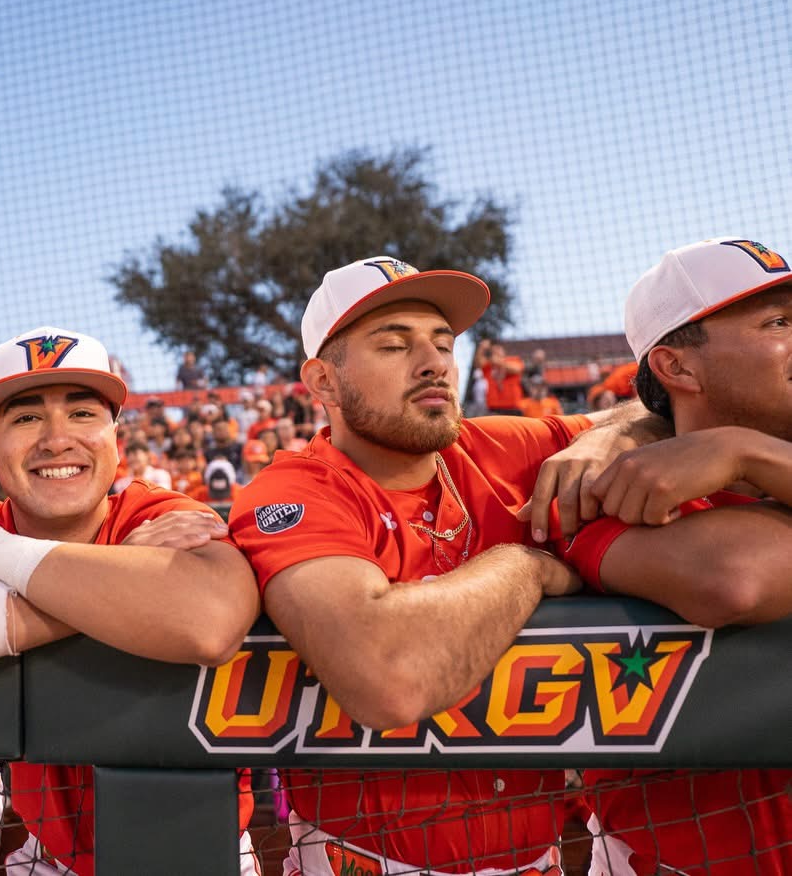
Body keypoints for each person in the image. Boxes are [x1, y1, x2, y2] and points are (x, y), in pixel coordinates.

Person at [228, 256, 664, 876]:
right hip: (363, 856)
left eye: (441, 343)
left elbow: (652, 413)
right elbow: (387, 677)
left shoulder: (492, 445)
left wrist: (601, 439)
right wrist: (526, 567)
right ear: (323, 382)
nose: (433, 362)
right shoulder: (296, 489)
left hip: (535, 856)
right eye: (394, 345)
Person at [0, 325, 262, 876]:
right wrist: (115, 580)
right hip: (48, 858)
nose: (58, 438)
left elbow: (210, 622)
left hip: (198, 853)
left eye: (83, 414)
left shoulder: (155, 516)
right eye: (27, 417)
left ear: (116, 437)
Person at [551, 238, 792, 875]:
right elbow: (738, 579)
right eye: (778, 322)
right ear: (678, 368)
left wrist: (749, 451)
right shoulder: (604, 495)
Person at [478, 339, 526, 415]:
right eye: (493, 351)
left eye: (498, 349)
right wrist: (482, 348)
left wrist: (498, 362)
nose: (496, 352)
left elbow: (516, 369)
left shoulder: (513, 359)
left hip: (513, 407)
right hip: (494, 407)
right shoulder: (489, 366)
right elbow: (479, 363)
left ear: (504, 351)